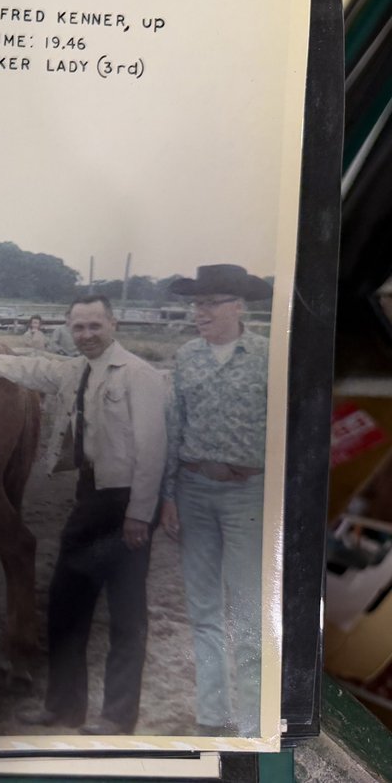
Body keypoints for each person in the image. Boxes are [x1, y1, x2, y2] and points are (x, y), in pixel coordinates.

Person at [0, 295, 167, 735]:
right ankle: (64, 707)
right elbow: (35, 368)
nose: (87, 335)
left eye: (95, 326)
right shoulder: (77, 370)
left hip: (127, 502)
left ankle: (116, 717)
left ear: (113, 324)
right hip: (89, 499)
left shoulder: (139, 375)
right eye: (79, 327)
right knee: (66, 607)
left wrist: (139, 515)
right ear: (69, 329)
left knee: (128, 616)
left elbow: (152, 451)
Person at [160, 264, 273, 738]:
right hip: (194, 491)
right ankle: (211, 717)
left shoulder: (269, 356)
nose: (199, 312)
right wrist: (169, 496)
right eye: (195, 303)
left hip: (248, 493)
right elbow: (174, 428)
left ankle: (251, 722)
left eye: (210, 303)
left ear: (238, 305)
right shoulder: (186, 356)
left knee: (248, 608)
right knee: (203, 610)